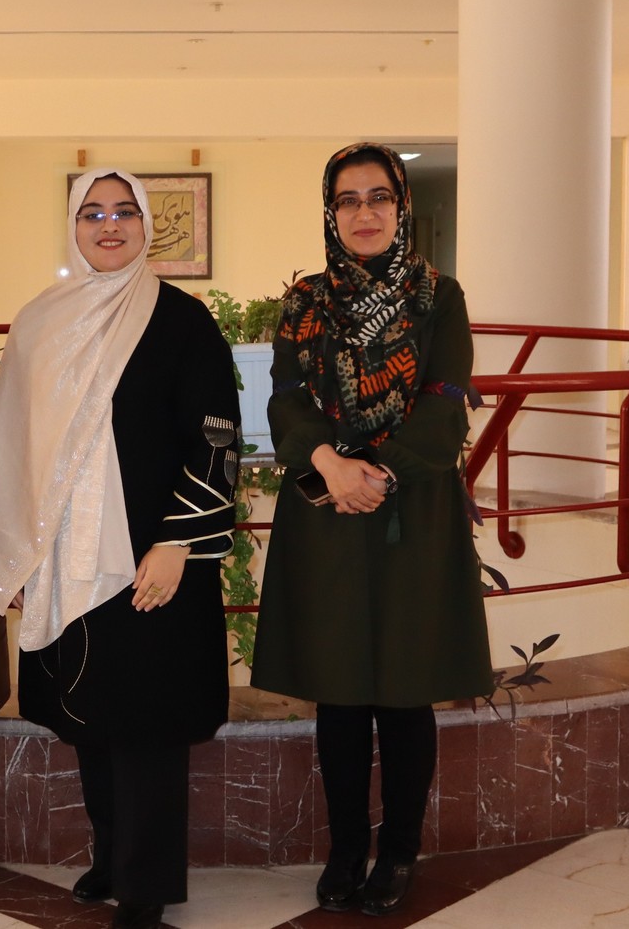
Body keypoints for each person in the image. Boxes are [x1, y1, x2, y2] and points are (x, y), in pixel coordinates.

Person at [0, 168, 240, 929]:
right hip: (66, 554)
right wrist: (18, 551)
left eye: (124, 211)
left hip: (153, 560)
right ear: (74, 227)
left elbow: (217, 439)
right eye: (92, 212)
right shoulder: (41, 321)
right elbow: (14, 445)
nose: (109, 224)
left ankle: (145, 887)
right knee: (91, 711)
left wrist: (178, 541)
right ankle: (112, 855)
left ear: (147, 225)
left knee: (148, 721)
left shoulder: (182, 321)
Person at [249, 143, 492, 917]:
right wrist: (331, 462)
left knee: (404, 690)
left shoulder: (438, 297)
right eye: (348, 199)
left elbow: (446, 400)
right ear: (331, 212)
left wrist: (378, 472)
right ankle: (347, 846)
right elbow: (286, 397)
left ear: (401, 206)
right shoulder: (303, 302)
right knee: (342, 692)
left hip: (410, 511)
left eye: (378, 196)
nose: (364, 212)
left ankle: (400, 849)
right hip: (327, 510)